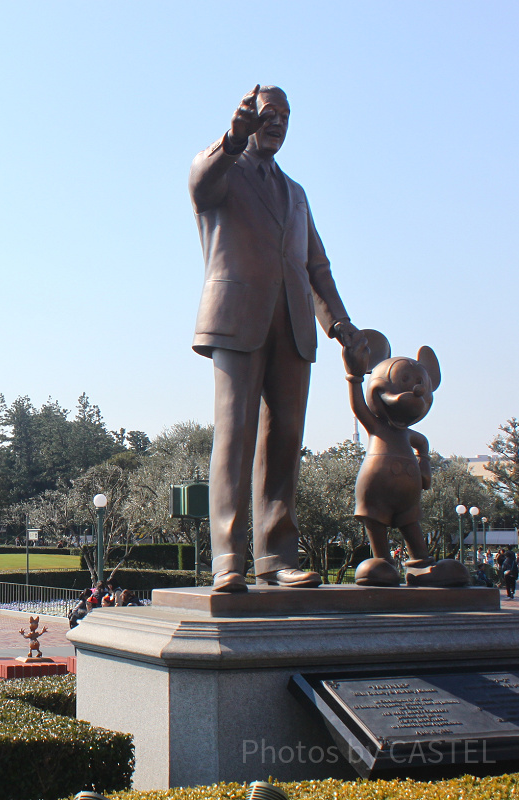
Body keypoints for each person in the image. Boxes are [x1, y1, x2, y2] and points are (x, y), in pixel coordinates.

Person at [189, 85, 361, 593]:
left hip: (293, 326)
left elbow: (316, 267)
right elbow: (199, 182)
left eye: (286, 116)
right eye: (269, 114)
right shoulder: (223, 170)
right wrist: (231, 137)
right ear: (248, 118)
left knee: (285, 442)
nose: (278, 123)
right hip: (237, 318)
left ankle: (276, 555)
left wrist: (340, 325)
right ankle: (228, 557)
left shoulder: (296, 192)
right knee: (236, 435)